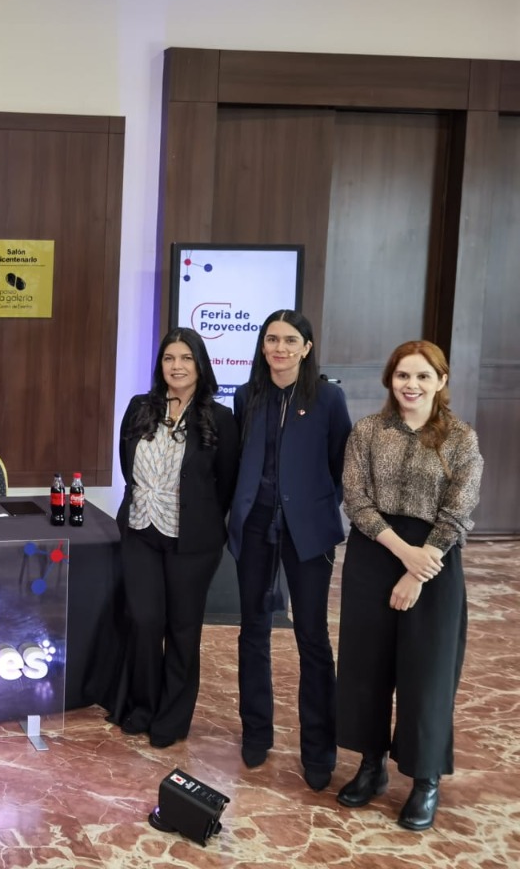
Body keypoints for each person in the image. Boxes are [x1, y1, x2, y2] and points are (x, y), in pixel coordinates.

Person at [335, 341, 482, 831]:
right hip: (376, 553)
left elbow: (458, 513)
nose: (411, 386)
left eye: (422, 376)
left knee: (427, 674)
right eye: (402, 376)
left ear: (441, 381)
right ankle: (371, 765)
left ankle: (425, 781)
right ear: (389, 380)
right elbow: (356, 501)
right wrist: (405, 556)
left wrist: (420, 568)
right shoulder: (368, 432)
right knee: (366, 667)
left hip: (435, 562)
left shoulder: (461, 439)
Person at [228, 309, 352, 791]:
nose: (279, 348)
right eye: (271, 339)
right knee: (253, 631)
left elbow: (342, 464)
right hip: (256, 524)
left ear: (306, 347)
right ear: (262, 347)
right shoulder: (247, 396)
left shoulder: (328, 398)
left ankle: (319, 748)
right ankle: (256, 732)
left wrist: (316, 507)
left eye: (289, 340)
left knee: (312, 638)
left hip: (308, 531)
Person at [115, 327, 239, 748]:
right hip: (140, 530)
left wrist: (199, 513)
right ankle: (142, 706)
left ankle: (172, 717)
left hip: (193, 541)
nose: (177, 366)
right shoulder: (139, 407)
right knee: (145, 622)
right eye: (170, 358)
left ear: (200, 364)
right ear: (160, 365)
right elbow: (125, 463)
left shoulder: (221, 419)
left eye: (186, 358)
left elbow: (225, 484)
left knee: (183, 631)